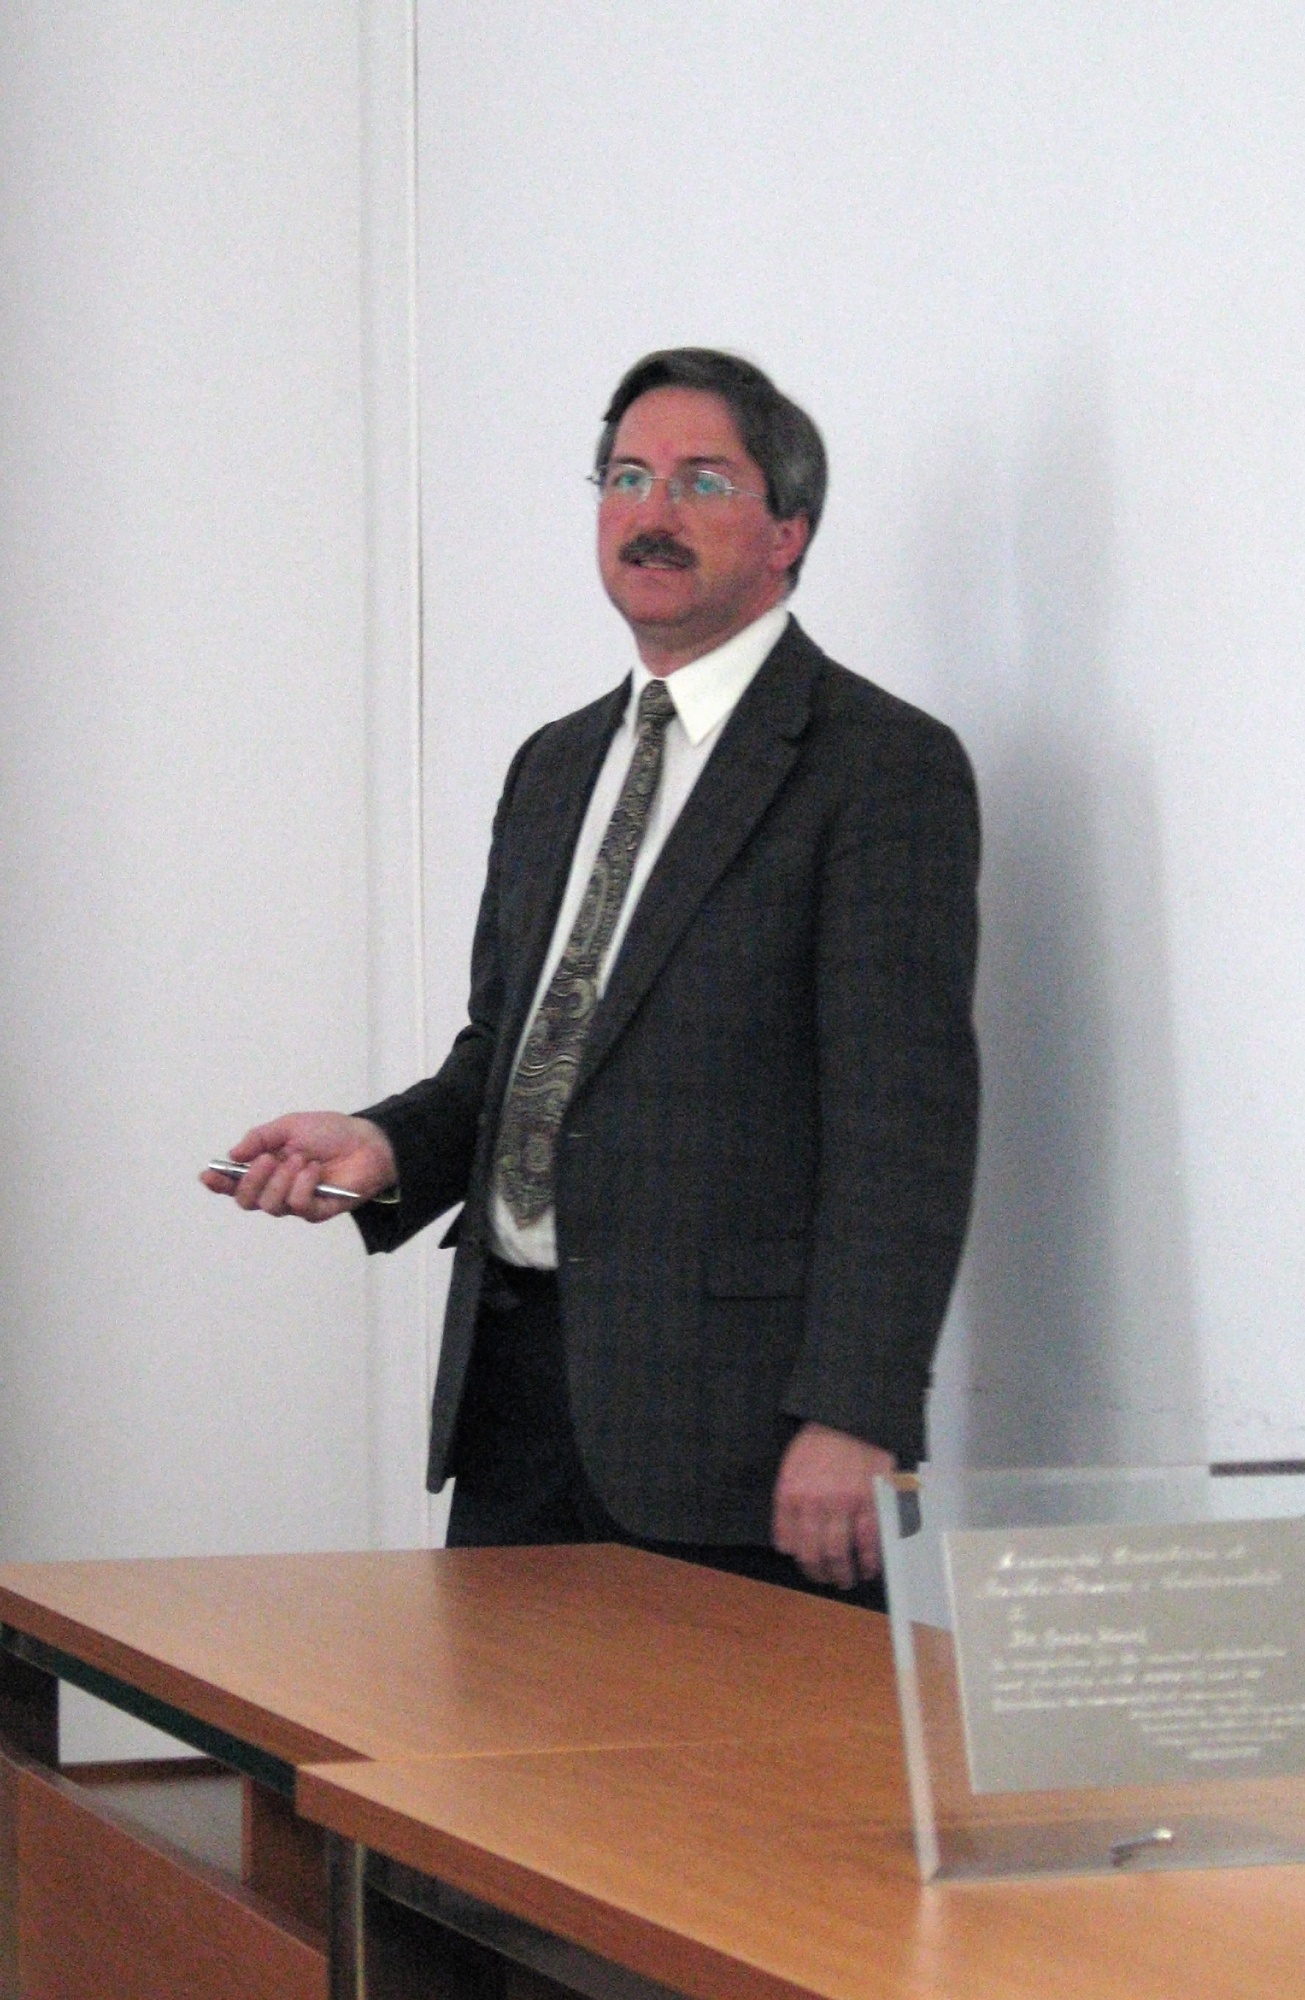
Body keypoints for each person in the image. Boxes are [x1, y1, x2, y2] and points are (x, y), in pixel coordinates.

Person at [203, 349, 979, 1606]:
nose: (650, 512)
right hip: (515, 1405)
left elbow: (906, 1126)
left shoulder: (879, 766)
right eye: (625, 477)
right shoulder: (555, 765)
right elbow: (515, 1054)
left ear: (786, 531)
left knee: (734, 1749)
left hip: (743, 1437)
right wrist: (384, 1146)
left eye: (700, 481)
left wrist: (856, 1409)